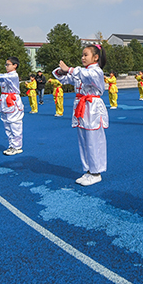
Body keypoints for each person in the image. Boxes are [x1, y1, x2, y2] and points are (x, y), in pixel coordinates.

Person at [54, 45, 109, 186]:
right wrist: (61, 72)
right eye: (82, 55)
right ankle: (88, 170)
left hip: (92, 108)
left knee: (93, 140)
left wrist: (70, 70)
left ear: (95, 57)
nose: (82, 58)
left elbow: (85, 75)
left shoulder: (96, 72)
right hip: (82, 108)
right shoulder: (82, 72)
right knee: (83, 140)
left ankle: (96, 172)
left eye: (86, 55)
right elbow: (65, 79)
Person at [0, 57, 24, 155]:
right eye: (6, 65)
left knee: (14, 123)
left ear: (15, 65)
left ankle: (17, 146)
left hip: (12, 101)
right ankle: (11, 145)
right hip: (5, 101)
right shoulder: (6, 76)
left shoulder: (13, 76)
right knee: (7, 124)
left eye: (8, 64)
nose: (6, 66)